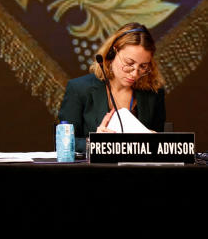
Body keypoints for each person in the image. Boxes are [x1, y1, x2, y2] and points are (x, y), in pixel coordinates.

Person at [57, 22, 166, 153]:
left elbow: (161, 143)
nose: (135, 73)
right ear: (112, 52)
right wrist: (93, 142)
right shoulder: (79, 89)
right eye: (129, 63)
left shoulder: (154, 92)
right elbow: (65, 142)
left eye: (143, 66)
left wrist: (158, 141)